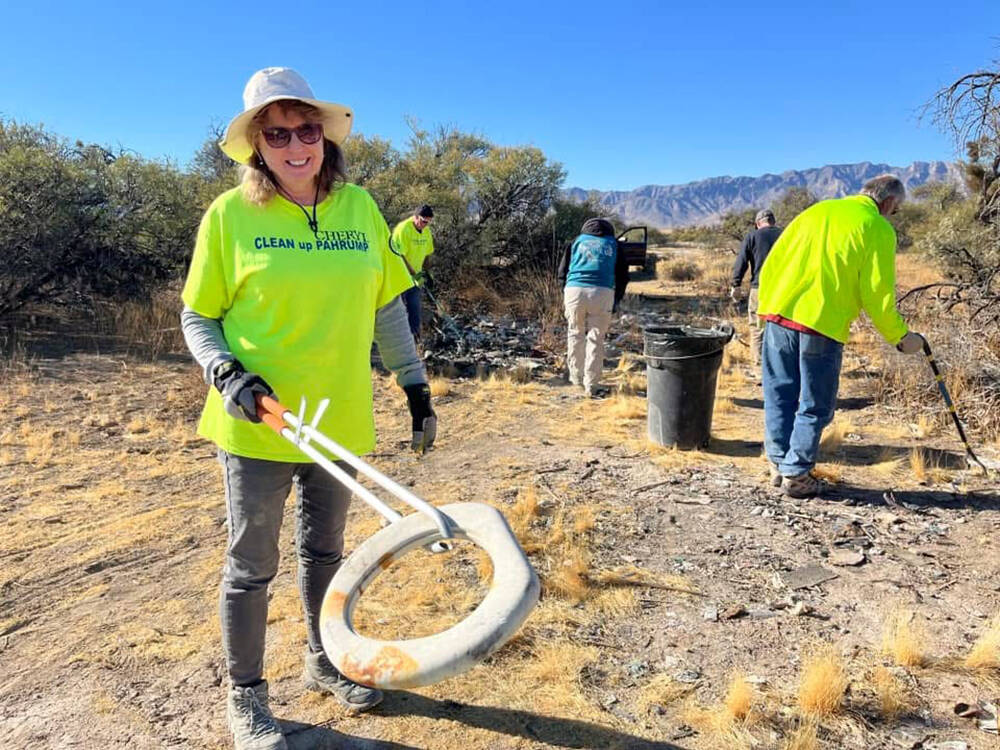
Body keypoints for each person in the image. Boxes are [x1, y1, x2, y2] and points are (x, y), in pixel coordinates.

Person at [180, 67, 437, 750]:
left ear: (325, 135)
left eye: (306, 130)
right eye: (278, 134)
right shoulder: (230, 216)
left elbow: (386, 306)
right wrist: (226, 372)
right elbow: (197, 316)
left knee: (327, 554)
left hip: (341, 419)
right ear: (256, 145)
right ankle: (247, 699)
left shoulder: (359, 207)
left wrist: (413, 387)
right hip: (257, 421)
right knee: (251, 568)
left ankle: (324, 662)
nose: (296, 145)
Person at [757, 175, 924, 498]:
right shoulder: (876, 227)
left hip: (777, 314)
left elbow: (774, 262)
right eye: (896, 211)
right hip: (822, 322)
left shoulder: (816, 212)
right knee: (814, 404)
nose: (893, 216)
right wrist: (900, 337)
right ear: (889, 203)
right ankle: (797, 473)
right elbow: (877, 294)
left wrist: (767, 306)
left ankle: (778, 464)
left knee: (779, 393)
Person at [557, 217, 629, 397]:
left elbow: (562, 271)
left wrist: (565, 292)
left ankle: (576, 377)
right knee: (596, 339)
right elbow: (622, 276)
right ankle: (591, 384)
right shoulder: (614, 245)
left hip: (574, 290)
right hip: (602, 291)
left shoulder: (576, 242)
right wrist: (616, 300)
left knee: (575, 333)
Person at [730, 208, 783, 371]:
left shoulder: (752, 236)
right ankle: (781, 368)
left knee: (757, 328)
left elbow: (742, 262)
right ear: (773, 221)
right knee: (782, 328)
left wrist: (735, 284)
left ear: (758, 223)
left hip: (759, 289)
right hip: (784, 290)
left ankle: (760, 370)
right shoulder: (785, 234)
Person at [391, 204, 435, 339]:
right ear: (415, 217)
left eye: (428, 222)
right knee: (397, 309)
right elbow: (400, 256)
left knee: (415, 308)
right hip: (398, 276)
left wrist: (427, 273)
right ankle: (395, 340)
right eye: (423, 221)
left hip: (415, 278)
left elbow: (427, 253)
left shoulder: (426, 231)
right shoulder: (403, 229)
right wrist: (414, 274)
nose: (425, 224)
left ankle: (415, 340)